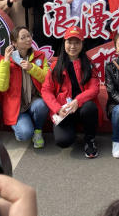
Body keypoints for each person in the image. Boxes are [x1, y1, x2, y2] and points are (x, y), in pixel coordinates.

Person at [41, 26, 100, 157]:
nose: (73, 46)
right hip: (63, 110)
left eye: (77, 42)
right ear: (64, 43)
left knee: (90, 107)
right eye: (69, 42)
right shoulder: (56, 65)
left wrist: (78, 101)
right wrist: (56, 108)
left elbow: (94, 88)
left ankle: (90, 140)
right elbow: (46, 90)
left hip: (82, 107)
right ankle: (72, 129)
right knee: (63, 141)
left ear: (82, 44)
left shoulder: (88, 64)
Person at [0, 26, 50, 148]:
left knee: (42, 104)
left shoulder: (40, 56)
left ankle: (38, 131)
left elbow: (48, 80)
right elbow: (1, 87)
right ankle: (25, 127)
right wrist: (5, 61)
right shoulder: (6, 61)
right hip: (17, 107)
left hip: (34, 101)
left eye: (29, 36)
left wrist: (32, 68)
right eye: (23, 37)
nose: (28, 39)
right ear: (14, 43)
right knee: (24, 134)